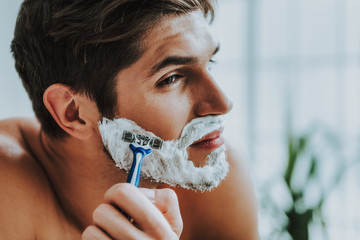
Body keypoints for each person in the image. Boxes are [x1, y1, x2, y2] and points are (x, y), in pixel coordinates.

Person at [0, 0, 259, 239]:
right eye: (171, 79)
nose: (223, 103)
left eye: (210, 62)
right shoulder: (7, 189)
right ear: (73, 112)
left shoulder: (212, 174)